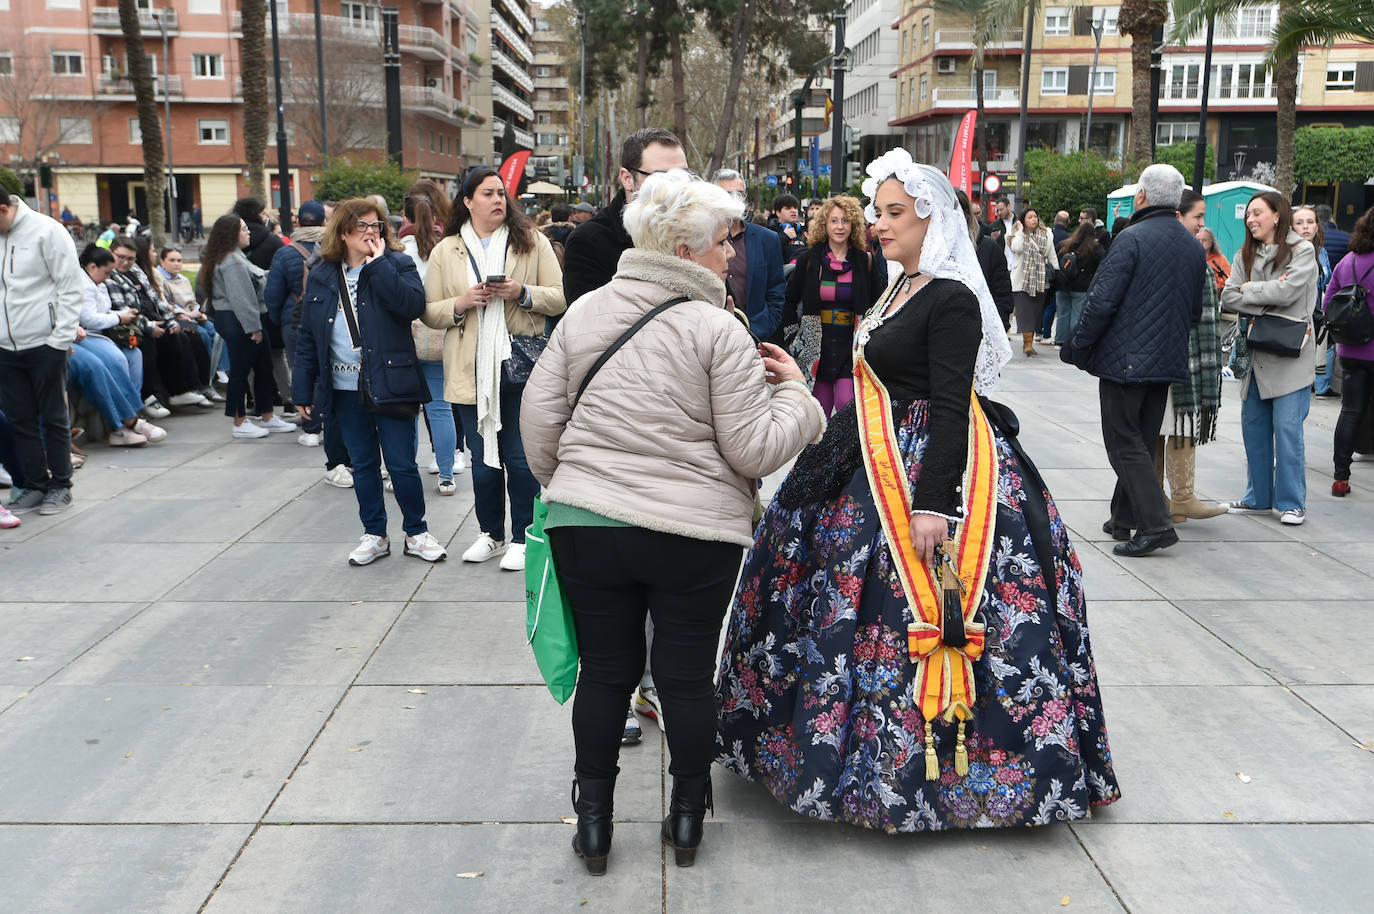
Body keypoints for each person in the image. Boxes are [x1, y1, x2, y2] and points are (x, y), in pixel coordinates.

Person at [716, 149, 1119, 833]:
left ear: (933, 219)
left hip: (924, 467)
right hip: (867, 450)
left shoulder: (952, 297)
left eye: (894, 213)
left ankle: (943, 778)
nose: (878, 224)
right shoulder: (899, 285)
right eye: (878, 212)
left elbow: (952, 404)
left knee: (906, 608)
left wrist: (935, 504)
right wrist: (797, 369)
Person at [521, 169, 825, 872]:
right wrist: (799, 399)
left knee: (605, 674)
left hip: (587, 523)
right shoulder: (717, 327)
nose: (733, 255)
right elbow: (753, 447)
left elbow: (538, 424)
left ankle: (593, 825)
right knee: (685, 677)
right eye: (725, 241)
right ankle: (687, 818)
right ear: (686, 252)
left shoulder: (588, 311)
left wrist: (573, 489)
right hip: (691, 536)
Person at [421, 166, 566, 571]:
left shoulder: (531, 242)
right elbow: (430, 312)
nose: (498, 200)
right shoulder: (445, 250)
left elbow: (560, 298)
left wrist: (521, 293)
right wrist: (462, 302)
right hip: (470, 371)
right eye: (487, 194)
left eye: (501, 193)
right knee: (485, 463)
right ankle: (491, 534)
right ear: (467, 202)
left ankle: (523, 536)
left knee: (519, 460)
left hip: (520, 369)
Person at [292, 199, 445, 566]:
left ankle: (417, 532)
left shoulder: (397, 264)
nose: (370, 232)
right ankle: (374, 534)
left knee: (402, 464)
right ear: (343, 231)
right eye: (362, 226)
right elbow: (308, 336)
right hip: (343, 388)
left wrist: (376, 268)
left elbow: (411, 306)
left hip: (390, 382)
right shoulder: (323, 273)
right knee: (362, 464)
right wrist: (302, 389)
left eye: (376, 226)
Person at [1069, 164, 1204, 555]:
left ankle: (1154, 523)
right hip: (1164, 359)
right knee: (1140, 441)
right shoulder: (1192, 245)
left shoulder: (1131, 239)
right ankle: (1125, 516)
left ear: (1141, 196)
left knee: (1123, 441)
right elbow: (1193, 311)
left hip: (1125, 359)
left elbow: (1101, 301)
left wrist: (1079, 345)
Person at [1220, 191, 1317, 526]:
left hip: (1291, 357)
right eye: (1248, 214)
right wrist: (1263, 293)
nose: (1251, 219)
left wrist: (1250, 291)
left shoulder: (1302, 251)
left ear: (1277, 215)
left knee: (1288, 431)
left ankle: (1292, 503)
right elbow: (1227, 296)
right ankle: (1258, 497)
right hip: (1256, 354)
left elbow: (1288, 292)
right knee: (1255, 429)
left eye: (1257, 212)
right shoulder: (1244, 254)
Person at [0, 195, 85, 516]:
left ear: (4, 209)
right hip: (5, 348)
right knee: (21, 420)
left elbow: (70, 287)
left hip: (46, 344)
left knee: (53, 418)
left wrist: (59, 340)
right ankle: (35, 485)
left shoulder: (47, 232)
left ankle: (61, 486)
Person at [266, 200, 352, 486]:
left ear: (298, 222)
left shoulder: (285, 253)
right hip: (334, 321)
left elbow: (273, 294)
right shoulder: (337, 249)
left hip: (297, 319)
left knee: (306, 370)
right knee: (332, 375)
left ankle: (312, 428)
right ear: (325, 223)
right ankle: (332, 434)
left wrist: (280, 320)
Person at [784, 195, 887, 415]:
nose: (840, 226)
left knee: (846, 405)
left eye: (845, 221)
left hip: (850, 344)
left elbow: (878, 304)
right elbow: (790, 300)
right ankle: (818, 451)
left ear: (854, 225)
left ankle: (842, 451)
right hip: (816, 345)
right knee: (817, 411)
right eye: (834, 221)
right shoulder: (809, 260)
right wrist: (791, 336)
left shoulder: (865, 260)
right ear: (824, 224)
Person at [1159, 189, 1226, 524]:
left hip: (1187, 358)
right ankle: (1162, 496)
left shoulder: (1193, 253)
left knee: (1179, 424)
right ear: (1177, 216)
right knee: (1160, 427)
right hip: (1168, 356)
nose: (1202, 224)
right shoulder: (1178, 252)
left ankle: (1181, 496)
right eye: (1197, 217)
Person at [562, 128, 687, 306]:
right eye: (661, 177)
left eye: (683, 176)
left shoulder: (697, 231)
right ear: (627, 178)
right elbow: (588, 322)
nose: (676, 187)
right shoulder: (588, 240)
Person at [198, 215, 295, 439]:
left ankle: (267, 416)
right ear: (232, 234)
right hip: (239, 319)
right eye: (243, 229)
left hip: (241, 318)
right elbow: (242, 298)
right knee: (241, 371)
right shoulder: (232, 261)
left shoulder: (234, 256)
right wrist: (254, 328)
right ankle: (239, 421)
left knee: (263, 367)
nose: (248, 232)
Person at [401, 179, 464, 496]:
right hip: (440, 332)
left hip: (406, 336)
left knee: (408, 410)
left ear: (406, 214)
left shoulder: (401, 252)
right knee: (440, 408)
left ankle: (404, 470)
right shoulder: (449, 248)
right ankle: (446, 474)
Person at [107, 236, 214, 411]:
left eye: (131, 258)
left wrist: (174, 320)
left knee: (203, 332)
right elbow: (125, 309)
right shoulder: (113, 276)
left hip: (169, 318)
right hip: (138, 324)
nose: (126, 262)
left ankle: (202, 384)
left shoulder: (142, 272)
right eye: (121, 257)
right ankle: (179, 390)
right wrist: (176, 317)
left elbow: (157, 300)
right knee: (190, 333)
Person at [1325, 205, 1374, 497]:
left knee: (1350, 411)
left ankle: (1340, 477)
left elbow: (1329, 300)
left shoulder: (1348, 261)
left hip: (1351, 350)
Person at [713, 169, 786, 342]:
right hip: (714, 338)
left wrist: (762, 327)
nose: (735, 199)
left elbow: (776, 291)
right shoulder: (703, 239)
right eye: (728, 194)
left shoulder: (767, 239)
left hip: (758, 339)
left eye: (739, 194)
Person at [1294, 205, 1338, 398]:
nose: (1306, 227)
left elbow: (1326, 282)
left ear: (1317, 226)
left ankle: (1320, 385)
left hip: (1316, 314)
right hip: (1294, 318)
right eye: (1299, 223)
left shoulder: (1322, 253)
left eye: (1310, 222)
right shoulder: (1288, 252)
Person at [956, 190, 1012, 329]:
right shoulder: (926, 249)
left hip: (982, 330)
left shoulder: (987, 247)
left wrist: (999, 326)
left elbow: (1002, 292)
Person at [1009, 206, 1058, 357]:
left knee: (1036, 312)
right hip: (1022, 280)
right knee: (1025, 313)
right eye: (1029, 217)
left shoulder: (1047, 234)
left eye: (1035, 216)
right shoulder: (1018, 235)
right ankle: (1027, 343)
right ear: (1023, 220)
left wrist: (1056, 271)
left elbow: (1052, 254)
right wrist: (1020, 232)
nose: (1033, 219)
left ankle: (1030, 342)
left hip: (1041, 279)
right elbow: (1016, 248)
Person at [1054, 220, 1105, 346]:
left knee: (1062, 314)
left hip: (1062, 285)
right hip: (1082, 287)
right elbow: (1104, 264)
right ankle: (1072, 340)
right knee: (1077, 314)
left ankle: (1060, 340)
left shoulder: (1064, 245)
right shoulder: (1095, 249)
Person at [234, 197, 284, 271]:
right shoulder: (272, 240)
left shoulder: (229, 238)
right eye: (263, 214)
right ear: (256, 215)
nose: (265, 217)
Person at [769, 192, 807, 264]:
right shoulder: (769, 231)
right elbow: (768, 251)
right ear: (778, 213)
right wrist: (784, 237)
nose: (794, 211)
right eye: (788, 208)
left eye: (795, 208)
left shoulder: (802, 231)